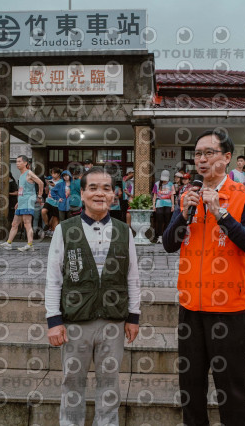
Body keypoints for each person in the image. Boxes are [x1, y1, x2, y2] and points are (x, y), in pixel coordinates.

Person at [162, 129, 245, 425]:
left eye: (209, 152)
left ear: (227, 157)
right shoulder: (187, 196)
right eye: (198, 154)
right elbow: (169, 244)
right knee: (190, 387)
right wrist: (183, 215)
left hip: (229, 309)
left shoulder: (244, 196)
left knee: (232, 388)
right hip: (191, 307)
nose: (202, 159)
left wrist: (222, 214)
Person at [45, 166, 140, 425]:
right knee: (72, 381)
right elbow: (54, 277)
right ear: (82, 193)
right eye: (93, 188)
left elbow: (132, 276)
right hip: (75, 320)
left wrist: (134, 316)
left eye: (106, 188)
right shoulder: (65, 229)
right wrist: (53, 320)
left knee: (109, 383)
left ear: (114, 194)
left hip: (113, 320)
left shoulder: (124, 231)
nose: (100, 193)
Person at [0, 155, 44, 252]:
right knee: (14, 224)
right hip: (22, 201)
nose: (17, 163)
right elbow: (22, 190)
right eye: (16, 161)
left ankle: (30, 245)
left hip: (28, 201)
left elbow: (41, 183)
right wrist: (18, 202)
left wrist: (39, 196)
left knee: (27, 223)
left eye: (19, 161)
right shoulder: (21, 175)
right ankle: (8, 243)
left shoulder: (29, 173)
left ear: (25, 163)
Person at [152, 170, 175, 244]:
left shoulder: (171, 184)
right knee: (159, 220)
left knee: (167, 220)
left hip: (168, 203)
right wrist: (153, 205)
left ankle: (166, 235)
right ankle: (159, 236)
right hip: (159, 203)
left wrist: (173, 205)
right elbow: (155, 195)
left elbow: (172, 195)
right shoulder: (157, 184)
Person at [41, 168, 61, 236]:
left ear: (58, 174)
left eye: (54, 173)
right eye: (52, 173)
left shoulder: (61, 181)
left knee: (55, 217)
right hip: (49, 200)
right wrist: (47, 185)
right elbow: (47, 192)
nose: (53, 175)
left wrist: (55, 186)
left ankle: (54, 233)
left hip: (57, 202)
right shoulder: (50, 181)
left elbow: (62, 191)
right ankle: (47, 225)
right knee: (43, 211)